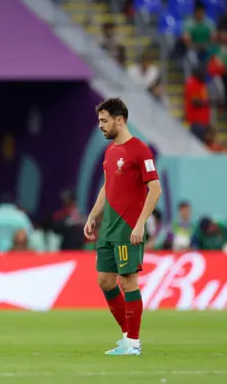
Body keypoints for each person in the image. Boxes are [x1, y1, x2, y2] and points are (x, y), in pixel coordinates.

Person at [83, 98, 162, 356]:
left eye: (104, 121)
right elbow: (108, 187)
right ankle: (127, 336)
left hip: (128, 228)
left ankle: (133, 343)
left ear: (120, 120)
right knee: (105, 281)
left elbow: (155, 188)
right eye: (99, 121)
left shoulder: (139, 149)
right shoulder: (110, 152)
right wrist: (93, 216)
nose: (101, 126)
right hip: (107, 228)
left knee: (128, 282)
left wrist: (140, 223)